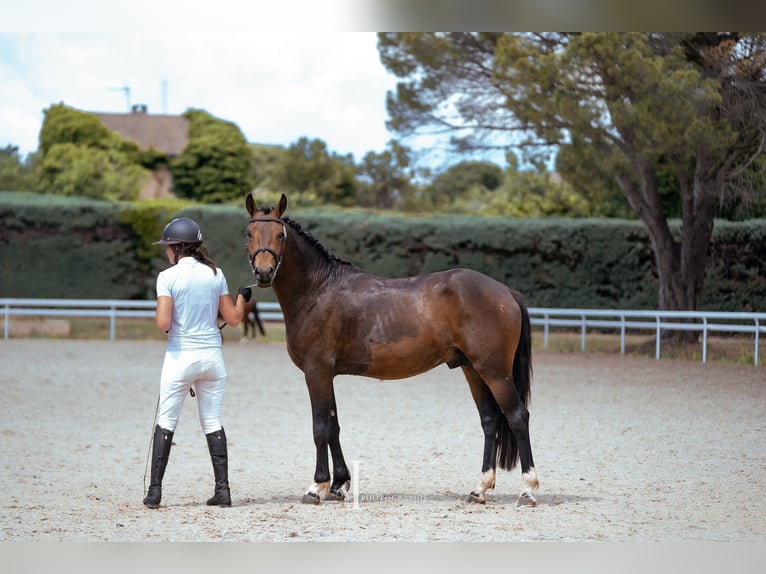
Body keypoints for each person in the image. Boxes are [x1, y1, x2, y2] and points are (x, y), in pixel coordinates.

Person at [143, 217, 251, 509]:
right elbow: (234, 319)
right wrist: (242, 297)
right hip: (213, 359)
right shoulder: (216, 274)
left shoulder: (167, 277)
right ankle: (223, 491)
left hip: (181, 357)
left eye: (168, 247)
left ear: (178, 248)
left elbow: (163, 322)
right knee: (213, 422)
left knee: (166, 421)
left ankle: (154, 492)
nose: (166, 252)